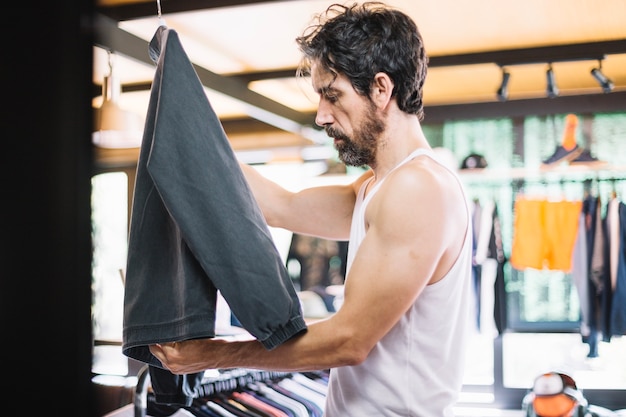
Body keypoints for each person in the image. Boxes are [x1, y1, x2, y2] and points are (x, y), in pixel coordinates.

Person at [150, 2, 473, 416]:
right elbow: (280, 205)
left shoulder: (419, 189)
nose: (321, 115)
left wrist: (212, 354)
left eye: (332, 95)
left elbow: (349, 340)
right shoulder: (377, 187)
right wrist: (188, 129)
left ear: (381, 88)